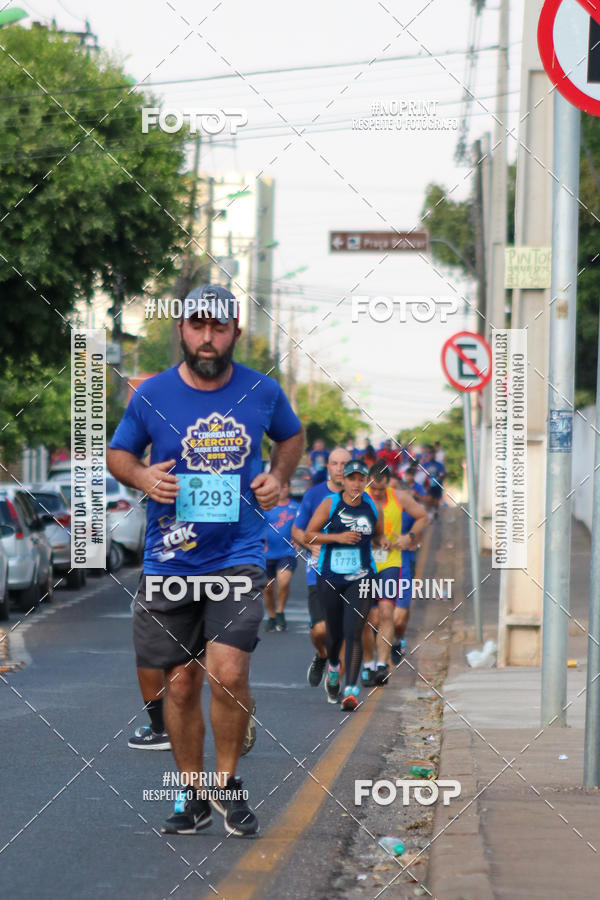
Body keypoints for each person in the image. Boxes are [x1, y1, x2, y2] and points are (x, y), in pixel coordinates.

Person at [107, 284, 303, 837]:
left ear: (235, 332)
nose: (208, 338)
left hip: (238, 556)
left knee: (228, 671)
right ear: (182, 331)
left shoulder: (263, 391)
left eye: (219, 328)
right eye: (198, 327)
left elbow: (290, 437)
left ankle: (227, 785)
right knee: (181, 684)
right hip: (170, 561)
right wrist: (142, 475)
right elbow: (119, 452)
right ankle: (191, 796)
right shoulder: (152, 394)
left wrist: (280, 477)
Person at [304, 459, 389, 711]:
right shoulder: (330, 504)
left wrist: (382, 541)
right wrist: (337, 537)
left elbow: (378, 534)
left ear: (366, 481)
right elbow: (309, 534)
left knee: (354, 631)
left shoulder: (372, 507)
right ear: (344, 480)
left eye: (360, 479)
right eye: (351, 478)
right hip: (330, 575)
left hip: (361, 576)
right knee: (334, 634)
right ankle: (332, 665)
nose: (356, 483)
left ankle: (351, 691)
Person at [361, 461, 428, 685]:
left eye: (381, 489)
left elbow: (423, 516)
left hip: (391, 563)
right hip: (364, 565)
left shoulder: (399, 497)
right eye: (374, 489)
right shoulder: (360, 497)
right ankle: (368, 665)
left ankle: (382, 665)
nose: (378, 493)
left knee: (388, 614)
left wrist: (408, 537)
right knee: (369, 619)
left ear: (388, 483)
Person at [291, 447, 351, 686]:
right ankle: (322, 656)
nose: (339, 468)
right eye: (335, 463)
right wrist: (310, 544)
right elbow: (296, 530)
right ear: (328, 467)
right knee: (320, 630)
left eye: (344, 464)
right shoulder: (314, 495)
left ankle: (337, 681)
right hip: (318, 571)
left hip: (351, 574)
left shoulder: (360, 496)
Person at [263, 480, 300, 632]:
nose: (282, 489)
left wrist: (300, 538)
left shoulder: (296, 507)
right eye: (280, 486)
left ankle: (280, 611)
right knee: (268, 588)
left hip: (287, 552)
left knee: (283, 582)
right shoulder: (265, 507)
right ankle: (271, 616)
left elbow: (303, 525)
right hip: (266, 553)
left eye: (285, 486)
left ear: (289, 487)